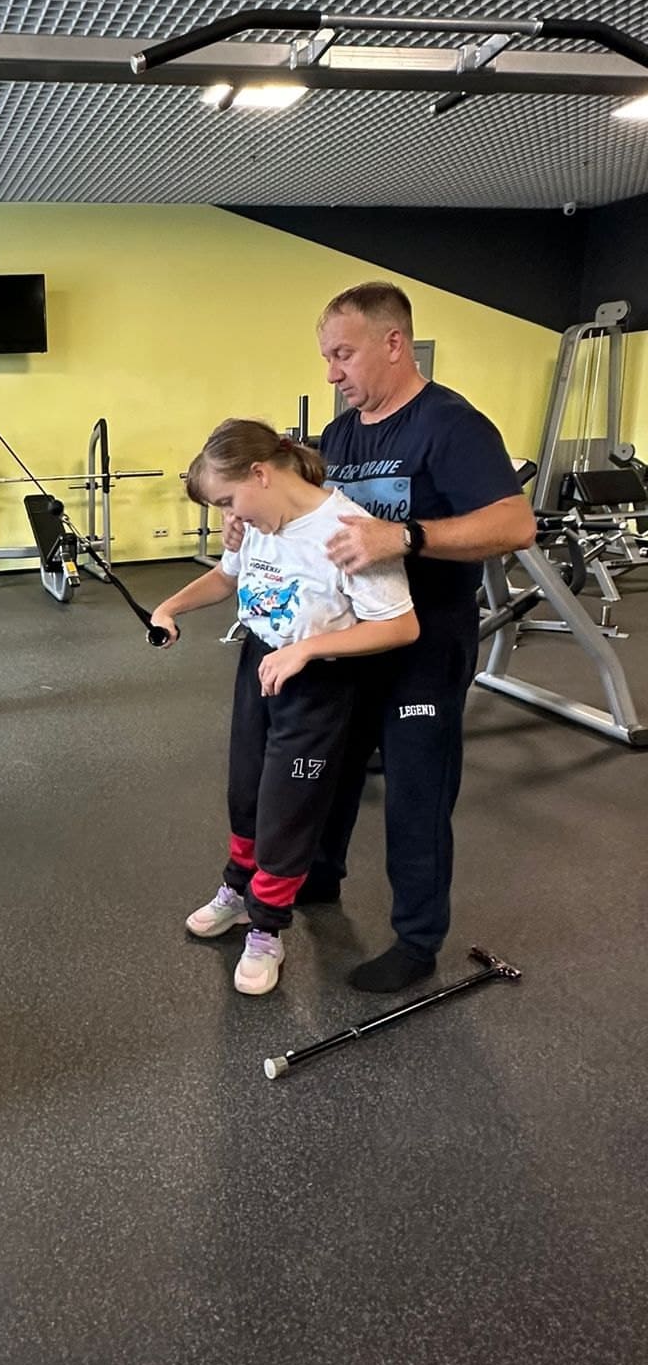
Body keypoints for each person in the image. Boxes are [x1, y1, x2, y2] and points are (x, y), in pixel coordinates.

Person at [224, 281, 537, 994]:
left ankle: (418, 940)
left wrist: (406, 536)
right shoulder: (341, 436)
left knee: (415, 794)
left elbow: (516, 525)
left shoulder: (451, 426)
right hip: (352, 640)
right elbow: (303, 515)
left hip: (423, 646)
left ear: (394, 343)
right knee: (331, 770)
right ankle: (320, 876)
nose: (331, 372)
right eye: (326, 357)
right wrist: (245, 521)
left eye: (343, 354)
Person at [150, 418, 418, 996]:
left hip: (317, 683)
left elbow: (400, 626)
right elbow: (225, 579)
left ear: (260, 473)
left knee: (286, 809)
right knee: (246, 792)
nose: (230, 517)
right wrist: (168, 607)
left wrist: (308, 649)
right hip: (261, 666)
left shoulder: (347, 530)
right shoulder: (259, 523)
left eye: (229, 501)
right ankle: (237, 891)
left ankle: (267, 928)